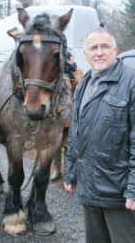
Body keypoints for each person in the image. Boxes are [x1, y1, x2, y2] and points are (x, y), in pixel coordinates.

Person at [63, 28, 135, 243]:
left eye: (105, 46)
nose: (99, 52)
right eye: (93, 48)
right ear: (85, 54)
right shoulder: (84, 84)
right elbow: (75, 134)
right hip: (88, 184)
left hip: (118, 188)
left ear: (115, 50)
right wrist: (70, 171)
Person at [50, 47, 84, 182]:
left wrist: (70, 71)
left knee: (70, 146)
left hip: (70, 117)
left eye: (71, 56)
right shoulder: (56, 71)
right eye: (66, 57)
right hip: (56, 116)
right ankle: (57, 170)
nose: (69, 58)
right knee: (55, 146)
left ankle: (69, 172)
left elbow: (79, 84)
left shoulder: (78, 71)